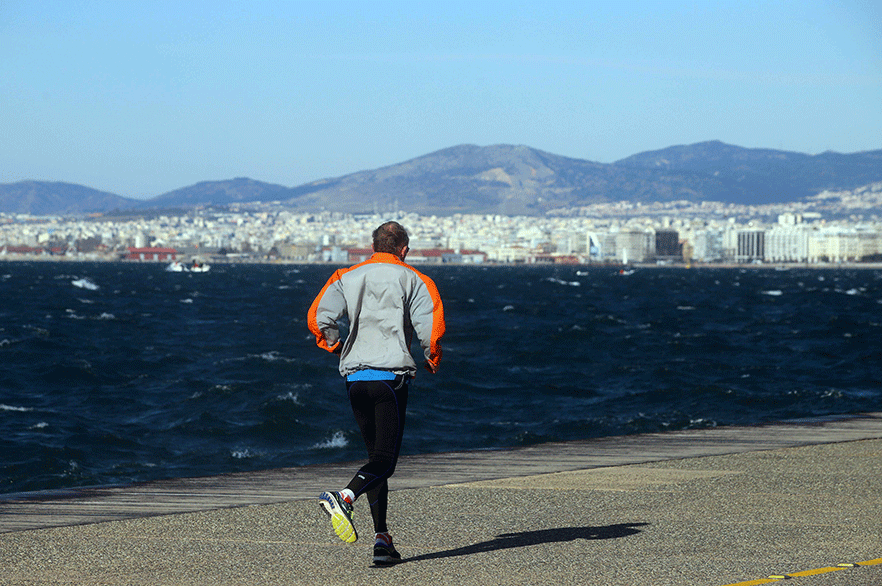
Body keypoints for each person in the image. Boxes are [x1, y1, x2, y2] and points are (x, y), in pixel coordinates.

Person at [307, 221, 445, 566]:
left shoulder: (346, 275)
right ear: (404, 249)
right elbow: (432, 326)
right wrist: (431, 356)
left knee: (375, 461)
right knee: (385, 461)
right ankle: (344, 497)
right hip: (390, 379)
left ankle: (382, 539)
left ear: (373, 246)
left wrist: (335, 344)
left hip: (355, 379)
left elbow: (317, 317)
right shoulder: (415, 279)